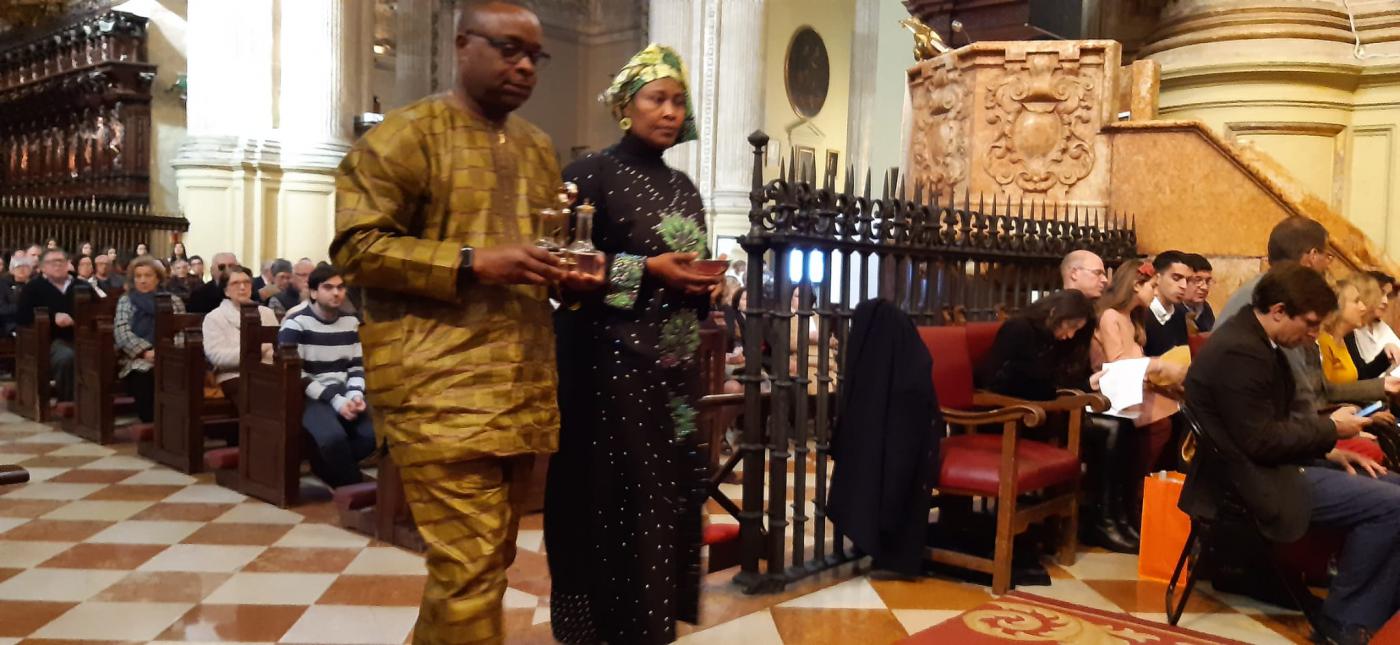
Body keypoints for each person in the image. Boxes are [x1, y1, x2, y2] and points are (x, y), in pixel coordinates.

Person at [330, 2, 595, 642]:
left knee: (481, 565)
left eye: (535, 55)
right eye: (509, 49)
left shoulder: (535, 147)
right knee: (472, 567)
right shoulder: (405, 135)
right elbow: (356, 250)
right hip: (437, 384)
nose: (525, 66)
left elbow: (536, 255)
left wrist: (568, 280)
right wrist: (475, 262)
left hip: (518, 384)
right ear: (462, 44)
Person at [547, 42, 725, 644]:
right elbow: (563, 267)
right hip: (605, 368)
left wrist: (705, 285)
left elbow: (686, 271)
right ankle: (598, 627)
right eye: (657, 98)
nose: (670, 111)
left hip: (672, 372)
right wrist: (649, 270)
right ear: (627, 105)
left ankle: (652, 626)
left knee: (667, 497)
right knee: (609, 496)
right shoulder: (589, 173)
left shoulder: (685, 188)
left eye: (678, 101)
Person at [1181, 263, 1400, 644]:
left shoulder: (1258, 341)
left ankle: (1367, 609)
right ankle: (1342, 623)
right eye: (1311, 323)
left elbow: (1269, 428)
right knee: (1393, 504)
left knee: (1393, 484)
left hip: (1275, 464)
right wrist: (1331, 430)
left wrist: (1329, 450)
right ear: (1279, 311)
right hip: (1252, 481)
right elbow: (1260, 441)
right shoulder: (1241, 351)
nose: (1314, 334)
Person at [1088, 259, 1188, 551]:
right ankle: (1132, 500)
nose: (1155, 292)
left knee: (1180, 416)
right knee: (1160, 424)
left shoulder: (1132, 318)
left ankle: (1146, 501)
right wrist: (1157, 365)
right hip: (1111, 393)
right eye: (1152, 286)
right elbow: (1117, 364)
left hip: (1134, 387)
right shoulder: (1109, 316)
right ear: (1135, 285)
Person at [277, 265, 376, 488]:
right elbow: (295, 373)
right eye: (328, 287)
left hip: (343, 392)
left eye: (340, 288)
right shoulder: (296, 323)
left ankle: (326, 468)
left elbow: (355, 366)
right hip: (309, 395)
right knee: (333, 439)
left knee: (373, 437)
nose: (336, 293)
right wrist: (335, 400)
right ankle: (352, 485)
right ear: (313, 292)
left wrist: (355, 394)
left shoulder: (350, 323)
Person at [975, 289, 1096, 401]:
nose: (1071, 335)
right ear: (1054, 312)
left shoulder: (1056, 341)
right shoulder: (1019, 329)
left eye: (1076, 330)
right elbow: (991, 379)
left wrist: (1088, 384)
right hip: (1008, 410)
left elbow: (1056, 382)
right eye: (1070, 326)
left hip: (1036, 408)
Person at [113, 256, 184, 423]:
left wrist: (164, 352)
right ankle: (151, 423)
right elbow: (122, 331)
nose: (143, 280)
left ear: (158, 278)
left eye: (148, 275)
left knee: (176, 375)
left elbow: (182, 330)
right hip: (136, 358)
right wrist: (145, 352)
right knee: (143, 376)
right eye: (138, 276)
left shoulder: (173, 301)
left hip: (168, 356)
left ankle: (173, 423)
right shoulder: (126, 300)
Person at [202, 265, 278, 408]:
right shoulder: (214, 318)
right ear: (226, 291)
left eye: (246, 282)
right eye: (235, 283)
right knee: (259, 399)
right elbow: (217, 357)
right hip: (233, 375)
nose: (242, 287)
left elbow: (276, 348)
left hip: (267, 372)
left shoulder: (266, 313)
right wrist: (256, 350)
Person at [16, 248, 77, 401]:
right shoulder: (33, 288)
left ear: (67, 263)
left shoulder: (81, 285)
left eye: (61, 261)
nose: (57, 265)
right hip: (49, 341)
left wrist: (76, 319)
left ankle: (97, 402)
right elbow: (22, 316)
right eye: (52, 262)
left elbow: (96, 310)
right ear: (42, 267)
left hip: (81, 337)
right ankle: (69, 402)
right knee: (67, 357)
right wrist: (52, 317)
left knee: (105, 352)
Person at [1143, 250, 1192, 357]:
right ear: (1157, 278)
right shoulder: (1142, 315)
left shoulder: (1182, 313)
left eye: (1187, 280)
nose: (1183, 285)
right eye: (1176, 278)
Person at [1350, 270, 1400, 374]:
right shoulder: (1350, 329)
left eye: (1388, 295)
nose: (1385, 301)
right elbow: (1362, 376)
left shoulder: (1382, 327)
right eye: (1381, 293)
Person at [1180, 253, 1215, 334]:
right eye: (1197, 280)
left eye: (1207, 281)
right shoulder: (1171, 311)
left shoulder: (1205, 308)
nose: (1204, 287)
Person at [0, 255, 33, 336]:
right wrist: (22, 307)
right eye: (18, 266)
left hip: (32, 323)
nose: (22, 269)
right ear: (12, 270)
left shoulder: (36, 285)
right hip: (9, 324)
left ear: (31, 270)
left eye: (25, 266)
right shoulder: (2, 285)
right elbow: (2, 308)